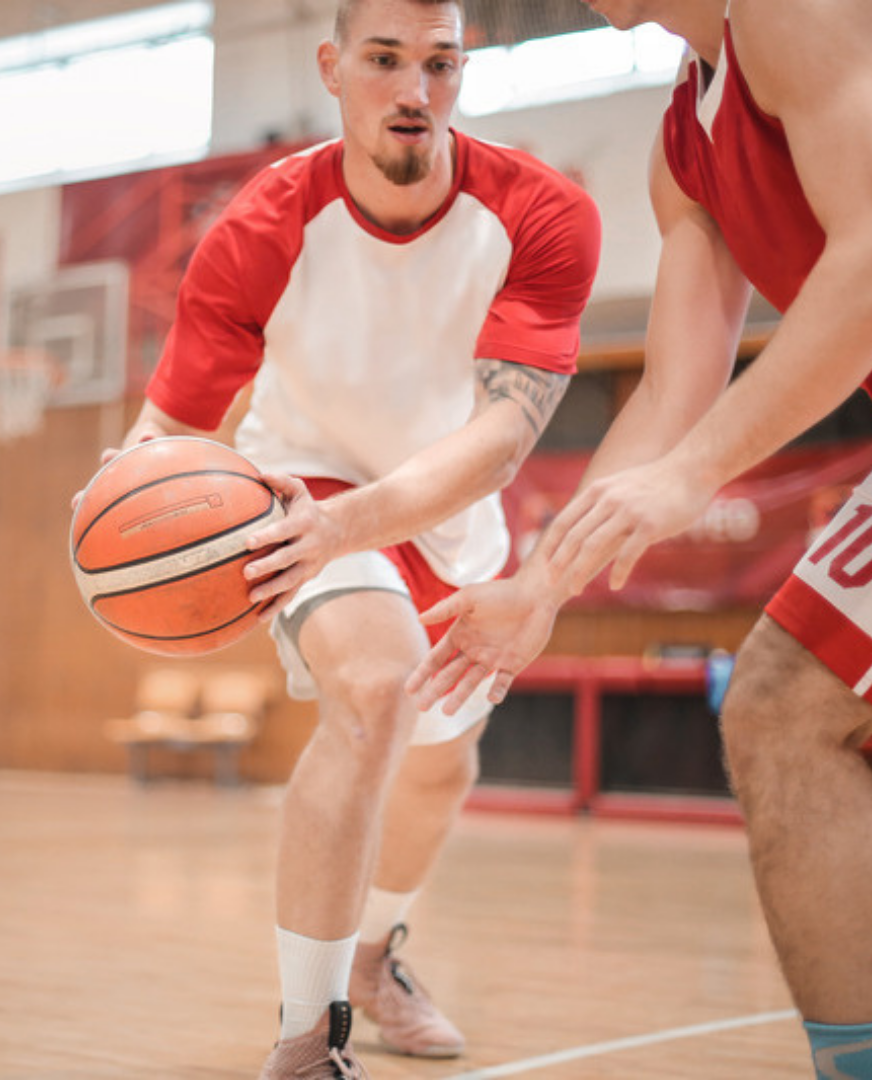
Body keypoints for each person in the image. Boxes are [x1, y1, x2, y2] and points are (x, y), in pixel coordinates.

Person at [86, 0, 600, 1074]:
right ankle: (304, 1037)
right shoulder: (261, 226)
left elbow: (506, 433)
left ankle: (372, 955)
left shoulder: (545, 213)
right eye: (385, 61)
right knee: (379, 688)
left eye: (440, 63)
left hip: (454, 503)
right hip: (303, 487)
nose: (415, 91)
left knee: (441, 769)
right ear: (332, 67)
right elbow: (174, 421)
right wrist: (119, 495)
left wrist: (365, 521)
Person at [407, 1, 872, 1075]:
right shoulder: (685, 149)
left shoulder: (790, 17)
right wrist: (539, 588)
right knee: (783, 708)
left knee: (784, 706)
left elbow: (863, 276)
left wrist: (696, 471)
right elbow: (671, 394)